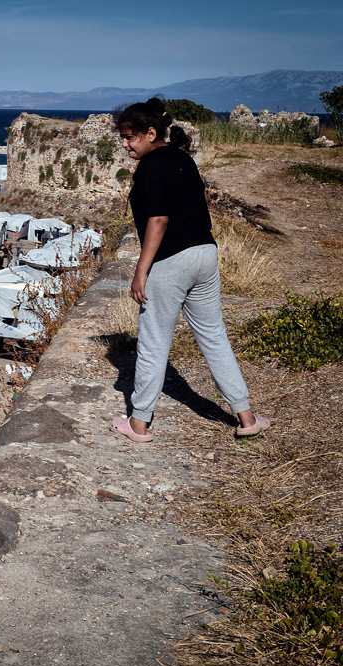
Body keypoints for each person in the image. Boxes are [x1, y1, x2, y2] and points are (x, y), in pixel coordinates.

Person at [110, 97, 269, 443]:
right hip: (205, 253)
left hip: (172, 261)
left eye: (130, 137)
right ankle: (246, 417)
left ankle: (138, 425)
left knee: (153, 343)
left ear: (151, 133)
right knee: (214, 336)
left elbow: (159, 219)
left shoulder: (151, 167)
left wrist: (141, 270)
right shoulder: (184, 159)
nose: (124, 145)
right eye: (122, 138)